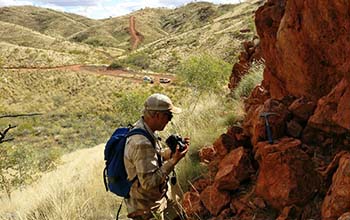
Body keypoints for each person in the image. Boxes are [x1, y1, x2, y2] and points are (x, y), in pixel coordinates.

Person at [124, 93, 189, 220]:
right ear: (158, 115)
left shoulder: (146, 130)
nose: (170, 120)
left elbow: (154, 156)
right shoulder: (141, 143)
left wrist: (172, 153)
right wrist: (173, 161)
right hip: (147, 210)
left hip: (159, 200)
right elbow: (148, 182)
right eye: (169, 116)